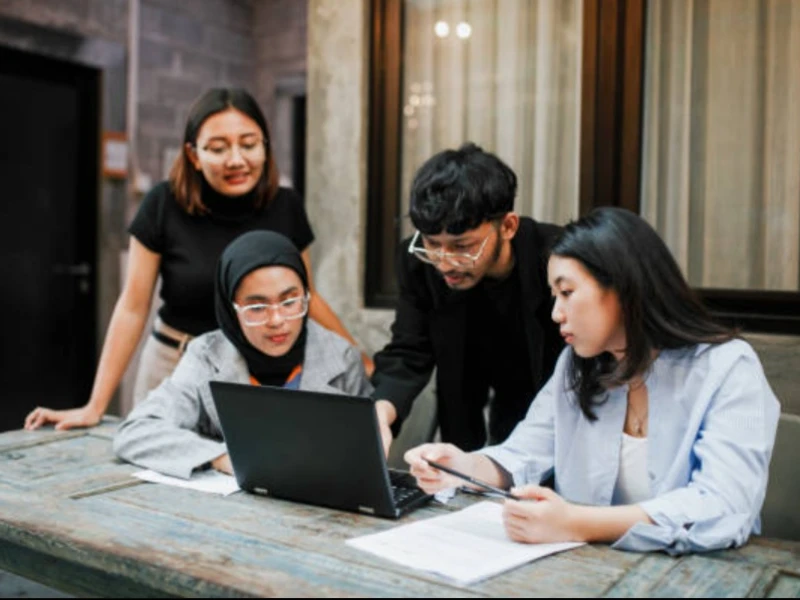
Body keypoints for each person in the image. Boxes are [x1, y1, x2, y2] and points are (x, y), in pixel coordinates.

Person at [405, 207, 780, 555]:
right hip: (588, 570)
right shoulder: (576, 364)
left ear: (624, 288)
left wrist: (575, 523)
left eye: (567, 293)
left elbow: (724, 505)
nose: (556, 313)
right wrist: (461, 467)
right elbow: (524, 453)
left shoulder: (728, 367)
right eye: (554, 296)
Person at [25, 87, 370, 432]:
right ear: (193, 155)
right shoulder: (162, 204)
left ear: (265, 146)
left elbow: (307, 295)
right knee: (156, 452)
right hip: (174, 363)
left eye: (249, 144)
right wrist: (95, 405)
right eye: (218, 149)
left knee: (241, 462)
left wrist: (356, 357)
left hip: (249, 372)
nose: (236, 160)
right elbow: (133, 306)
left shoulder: (286, 206)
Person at [113, 231, 377, 478]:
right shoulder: (206, 356)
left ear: (306, 297)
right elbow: (137, 431)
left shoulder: (341, 358)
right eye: (257, 307)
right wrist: (222, 458)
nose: (277, 320)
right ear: (231, 309)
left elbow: (365, 454)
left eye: (289, 302)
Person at [371, 143, 563, 452]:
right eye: (432, 243)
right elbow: (408, 351)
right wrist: (380, 413)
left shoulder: (556, 259)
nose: (444, 263)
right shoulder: (418, 263)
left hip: (555, 411)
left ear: (508, 226)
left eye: (463, 246)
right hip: (465, 415)